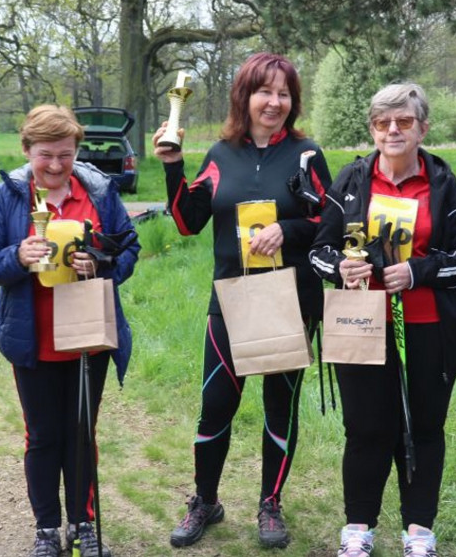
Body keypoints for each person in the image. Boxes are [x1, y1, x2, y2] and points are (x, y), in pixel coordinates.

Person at [152, 52, 332, 549]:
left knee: (280, 406)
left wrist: (287, 229)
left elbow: (332, 222)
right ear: (245, 96)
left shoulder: (306, 154)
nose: (273, 102)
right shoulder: (219, 155)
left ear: (292, 101)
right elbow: (189, 222)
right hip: (230, 299)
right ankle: (205, 501)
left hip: (291, 298)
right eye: (264, 91)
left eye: (283, 93)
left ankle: (270, 505)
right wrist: (173, 168)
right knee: (216, 405)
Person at [308, 83, 456, 557]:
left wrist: (418, 271)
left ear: (423, 128)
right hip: (362, 324)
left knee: (423, 427)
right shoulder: (351, 181)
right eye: (383, 122)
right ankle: (358, 529)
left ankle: (419, 532)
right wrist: (340, 268)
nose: (393, 130)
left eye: (404, 121)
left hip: (429, 329)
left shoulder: (444, 184)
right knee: (365, 429)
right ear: (372, 128)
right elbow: (318, 251)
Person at [0, 104, 138, 557]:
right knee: (43, 436)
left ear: (76, 152)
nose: (56, 165)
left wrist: (100, 263)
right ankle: (47, 527)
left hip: (88, 337)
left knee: (81, 433)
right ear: (26, 150)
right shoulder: (8, 197)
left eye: (65, 155)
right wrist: (17, 258)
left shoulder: (99, 192)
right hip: (34, 338)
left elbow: (128, 248)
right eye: (45, 155)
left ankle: (83, 523)